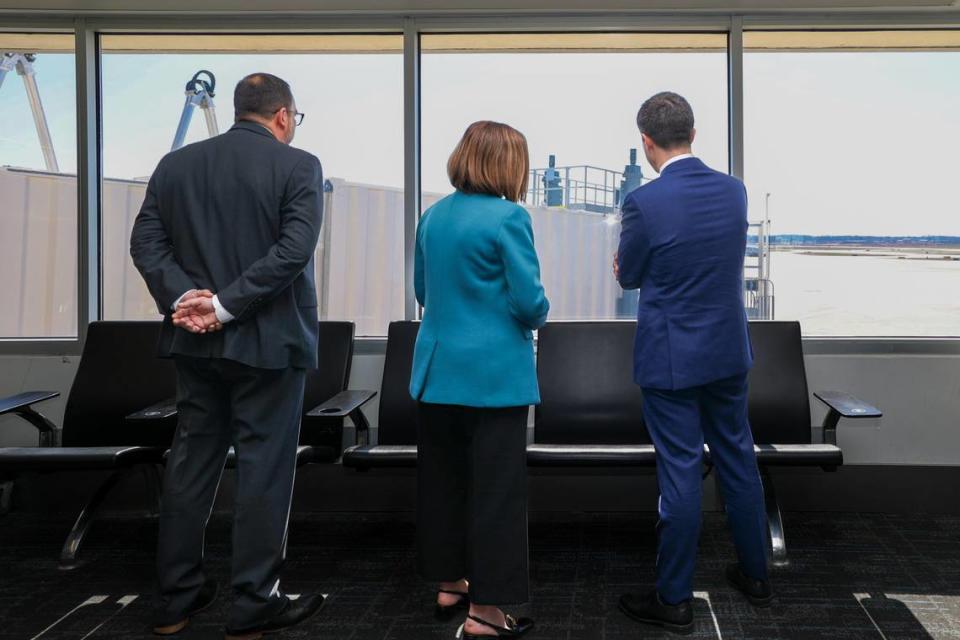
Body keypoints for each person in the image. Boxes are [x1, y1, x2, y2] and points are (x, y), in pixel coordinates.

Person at [130, 72, 325, 639]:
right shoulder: (299, 166)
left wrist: (185, 298)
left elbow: (146, 242)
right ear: (284, 116)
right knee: (265, 470)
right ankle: (254, 602)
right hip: (268, 345)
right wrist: (225, 305)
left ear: (240, 109)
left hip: (194, 342)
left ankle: (175, 599)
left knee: (191, 465)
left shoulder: (176, 166)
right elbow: (294, 249)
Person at [614, 92, 773, 633]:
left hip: (672, 358)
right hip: (728, 353)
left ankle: (674, 599)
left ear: (646, 141)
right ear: (693, 134)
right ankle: (756, 576)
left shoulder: (644, 203)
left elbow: (629, 274)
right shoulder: (734, 192)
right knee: (737, 458)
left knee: (680, 470)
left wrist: (626, 263)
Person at [411, 121, 549, 639]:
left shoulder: (433, 216)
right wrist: (539, 310)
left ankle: (450, 583)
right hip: (493, 378)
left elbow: (422, 289)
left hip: (436, 372)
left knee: (444, 483)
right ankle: (488, 614)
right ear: (509, 166)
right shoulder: (509, 218)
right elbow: (530, 304)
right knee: (496, 494)